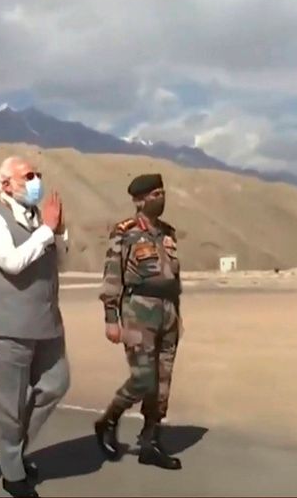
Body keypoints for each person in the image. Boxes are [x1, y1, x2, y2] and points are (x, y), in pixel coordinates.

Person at [0, 156, 70, 498]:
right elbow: (11, 262)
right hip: (10, 325)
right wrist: (46, 231)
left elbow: (59, 263)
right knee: (10, 403)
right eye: (28, 176)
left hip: (46, 321)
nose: (36, 182)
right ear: (6, 184)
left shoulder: (38, 219)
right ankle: (12, 472)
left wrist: (57, 232)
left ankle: (10, 446)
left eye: (38, 175)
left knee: (56, 383)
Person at [95, 173, 183, 470]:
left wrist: (177, 315)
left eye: (163, 192)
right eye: (155, 194)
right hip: (138, 312)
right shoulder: (126, 232)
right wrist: (111, 318)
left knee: (162, 381)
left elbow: (174, 278)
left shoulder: (168, 233)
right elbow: (112, 276)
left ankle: (150, 442)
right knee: (143, 378)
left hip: (168, 312)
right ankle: (109, 420)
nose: (161, 198)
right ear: (139, 200)